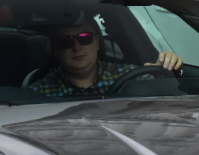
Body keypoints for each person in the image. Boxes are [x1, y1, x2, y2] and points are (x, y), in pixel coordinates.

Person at [28, 20, 183, 97]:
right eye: (65, 42)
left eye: (85, 38)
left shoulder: (130, 77)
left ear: (97, 42)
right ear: (55, 51)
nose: (77, 47)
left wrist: (166, 68)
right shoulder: (38, 93)